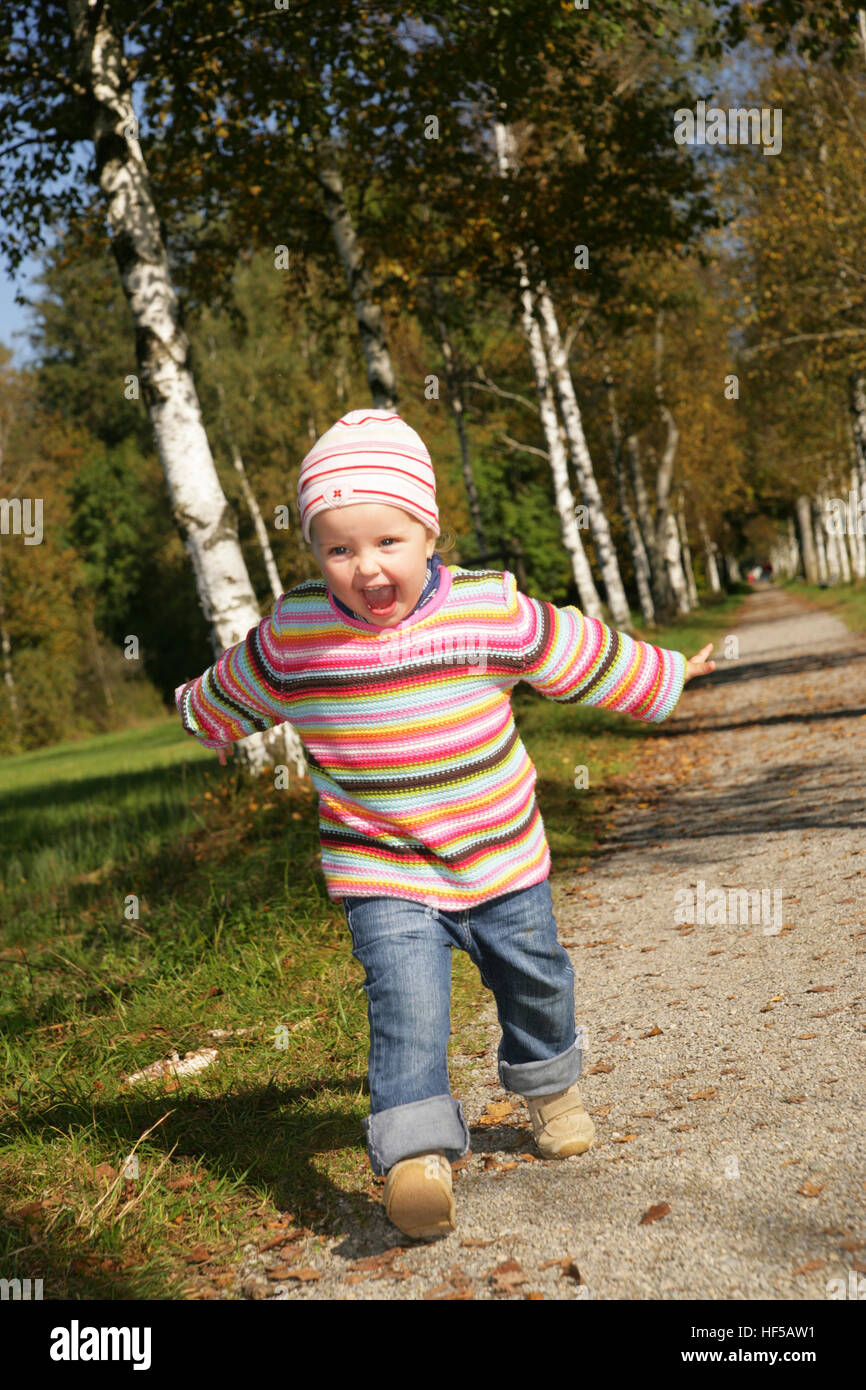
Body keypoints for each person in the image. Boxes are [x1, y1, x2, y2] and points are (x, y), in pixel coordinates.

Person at [175, 408, 715, 1240]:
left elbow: (573, 649)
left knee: (536, 982)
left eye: (388, 541)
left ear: (429, 531)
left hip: (498, 857)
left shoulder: (484, 608)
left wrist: (665, 675)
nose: (366, 567)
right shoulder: (299, 633)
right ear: (316, 553)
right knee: (407, 1007)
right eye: (339, 549)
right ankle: (415, 1159)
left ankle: (548, 1086)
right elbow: (235, 683)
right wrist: (202, 716)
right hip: (381, 869)